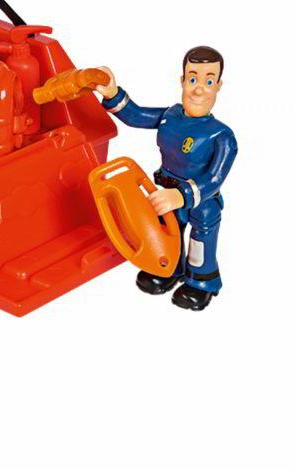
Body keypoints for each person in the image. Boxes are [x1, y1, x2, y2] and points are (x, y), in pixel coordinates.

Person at [94, 46, 237, 310]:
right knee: (165, 232)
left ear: (218, 86)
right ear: (182, 81)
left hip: (200, 201)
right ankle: (168, 268)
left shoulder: (222, 136)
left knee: (201, 242)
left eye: (208, 81)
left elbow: (215, 178)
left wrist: (182, 196)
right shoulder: (170, 116)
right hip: (165, 192)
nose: (199, 89)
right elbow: (136, 115)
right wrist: (113, 93)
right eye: (192, 79)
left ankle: (200, 284)